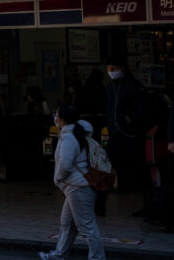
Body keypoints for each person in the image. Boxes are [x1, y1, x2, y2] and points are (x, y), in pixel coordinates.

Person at [38, 105, 106, 260]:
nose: (54, 117)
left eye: (57, 114)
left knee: (86, 226)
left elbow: (65, 164)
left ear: (62, 119)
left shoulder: (69, 137)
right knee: (67, 223)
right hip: (77, 187)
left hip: (78, 187)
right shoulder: (77, 131)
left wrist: (58, 178)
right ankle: (60, 253)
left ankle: (98, 257)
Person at [99, 58, 147, 217]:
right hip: (115, 134)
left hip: (130, 134)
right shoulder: (110, 87)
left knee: (139, 169)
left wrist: (131, 118)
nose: (110, 71)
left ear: (122, 68)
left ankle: (150, 204)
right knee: (107, 168)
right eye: (109, 68)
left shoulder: (132, 85)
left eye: (113, 68)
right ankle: (99, 205)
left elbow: (143, 104)